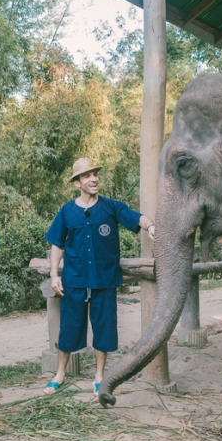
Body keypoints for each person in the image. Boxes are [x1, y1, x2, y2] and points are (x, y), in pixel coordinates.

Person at [44, 158, 155, 396]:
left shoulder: (110, 207)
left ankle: (99, 376)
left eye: (95, 174)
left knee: (104, 328)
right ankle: (60, 374)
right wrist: (54, 275)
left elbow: (137, 217)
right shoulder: (66, 211)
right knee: (69, 327)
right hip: (74, 280)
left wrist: (151, 226)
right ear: (77, 183)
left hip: (104, 280)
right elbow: (56, 244)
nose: (93, 179)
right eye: (87, 176)